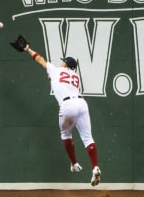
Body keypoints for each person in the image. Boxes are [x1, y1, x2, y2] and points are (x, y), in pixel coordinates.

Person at [10, 35, 101, 186]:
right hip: (81, 103)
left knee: (66, 134)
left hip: (68, 105)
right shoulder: (75, 76)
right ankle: (95, 167)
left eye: (63, 60)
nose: (61, 61)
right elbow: (58, 81)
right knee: (88, 138)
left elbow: (40, 60)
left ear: (65, 63)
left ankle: (74, 164)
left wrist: (27, 49)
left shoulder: (57, 70)